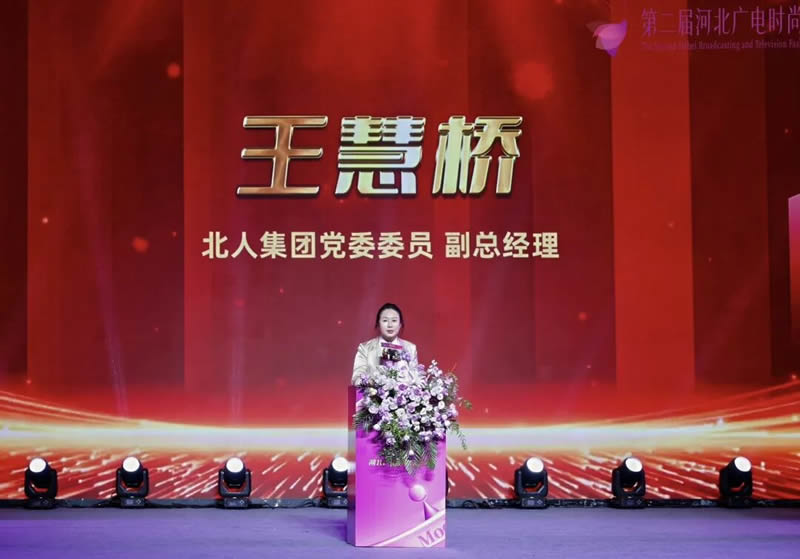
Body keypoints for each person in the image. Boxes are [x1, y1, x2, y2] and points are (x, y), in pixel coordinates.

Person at [351, 303, 418, 385]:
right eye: (385, 321)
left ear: (400, 324)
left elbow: (416, 378)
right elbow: (356, 377)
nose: (390, 325)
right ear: (378, 324)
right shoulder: (365, 348)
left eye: (394, 320)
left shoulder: (410, 348)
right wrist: (371, 384)